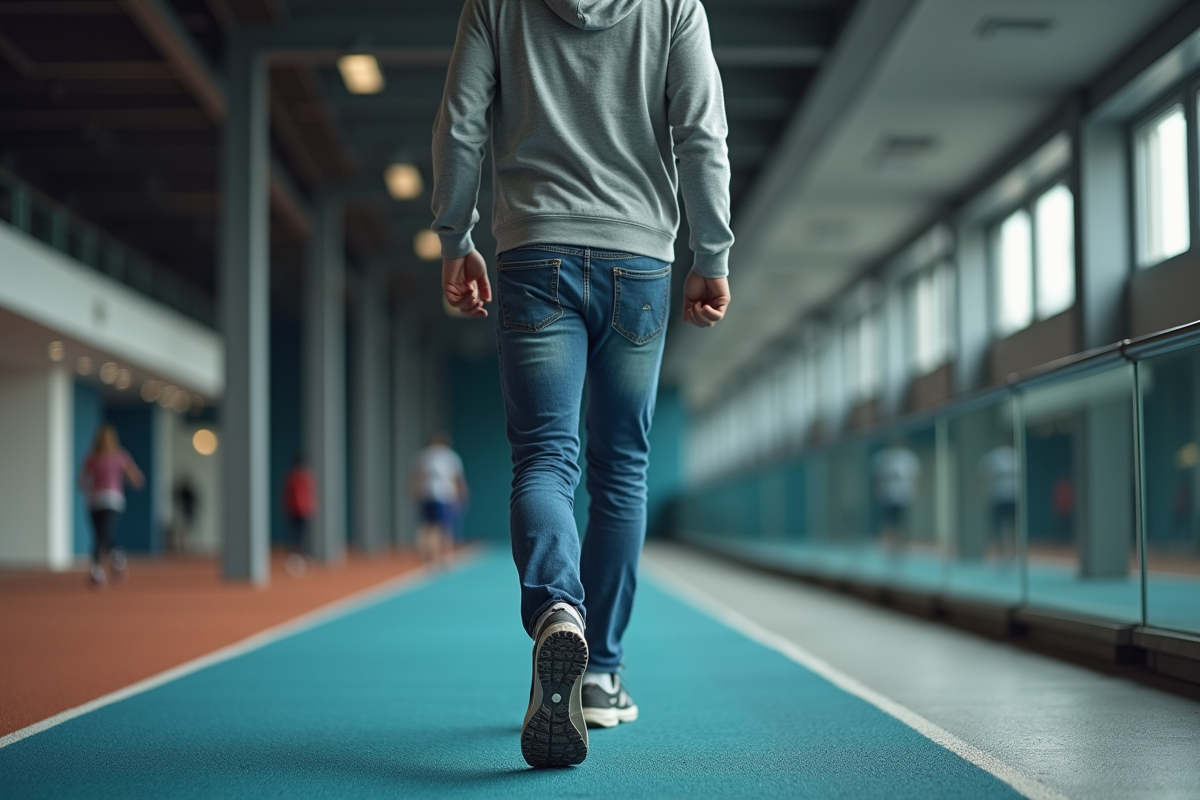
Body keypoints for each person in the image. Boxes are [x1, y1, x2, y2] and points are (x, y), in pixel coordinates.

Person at [433, 0, 733, 767]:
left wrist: (455, 237)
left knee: (544, 459)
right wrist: (712, 254)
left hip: (534, 252)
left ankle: (557, 610)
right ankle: (599, 673)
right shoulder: (675, 7)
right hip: (640, 259)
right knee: (622, 468)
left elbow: (461, 122)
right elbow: (701, 132)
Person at [79, 423, 144, 589]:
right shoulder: (117, 456)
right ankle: (116, 555)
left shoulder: (97, 457)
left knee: (100, 535)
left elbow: (82, 482)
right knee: (101, 535)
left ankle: (98, 571)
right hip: (106, 499)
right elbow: (137, 479)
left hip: (102, 500)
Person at [409, 433, 468, 566]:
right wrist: (461, 495)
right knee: (441, 526)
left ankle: (429, 554)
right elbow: (456, 478)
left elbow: (415, 476)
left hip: (426, 494)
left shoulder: (423, 456)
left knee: (428, 525)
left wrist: (413, 491)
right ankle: (440, 555)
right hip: (442, 495)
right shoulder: (449, 456)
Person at [872, 439, 920, 549]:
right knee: (888, 522)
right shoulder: (883, 457)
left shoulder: (908, 456)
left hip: (903, 495)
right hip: (887, 496)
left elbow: (915, 477)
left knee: (901, 522)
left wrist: (915, 492)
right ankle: (889, 545)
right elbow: (877, 478)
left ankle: (900, 545)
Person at [977, 438, 1018, 560]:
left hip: (1002, 497)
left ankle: (1005, 552)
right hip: (1009, 496)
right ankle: (1008, 552)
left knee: (1001, 526)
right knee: (1009, 525)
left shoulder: (996, 456)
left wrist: (978, 488)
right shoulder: (1014, 455)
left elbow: (984, 475)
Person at [282, 455, 316, 576]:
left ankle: (301, 558)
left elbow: (309, 494)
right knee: (295, 537)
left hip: (303, 512)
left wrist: (309, 509)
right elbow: (293, 496)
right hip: (295, 512)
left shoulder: (305, 476)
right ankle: (295, 560)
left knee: (302, 536)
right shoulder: (293, 477)